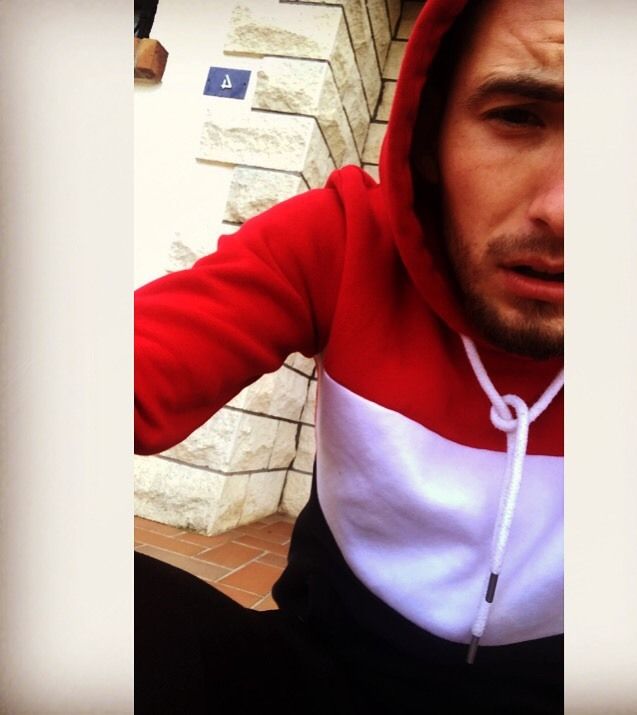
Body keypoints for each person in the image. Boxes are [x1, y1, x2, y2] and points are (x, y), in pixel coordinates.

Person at [134, 0, 564, 712]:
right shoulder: (345, 239)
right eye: (517, 115)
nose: (563, 209)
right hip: (321, 676)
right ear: (429, 135)